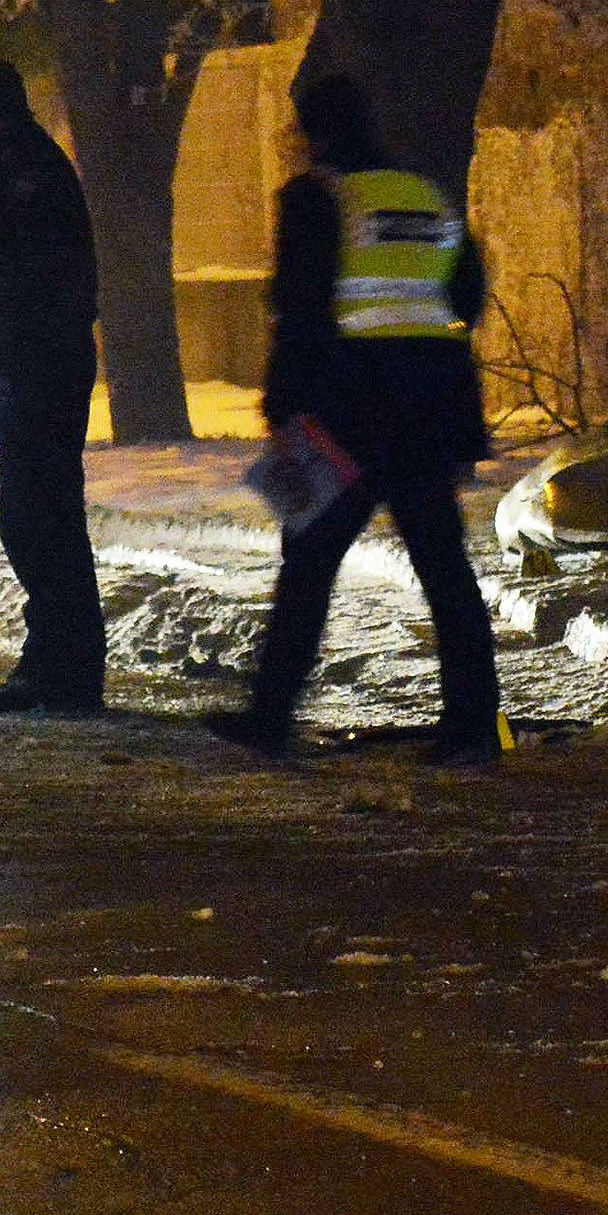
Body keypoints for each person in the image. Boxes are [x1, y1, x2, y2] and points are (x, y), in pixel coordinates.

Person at [217, 71, 503, 765]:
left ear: (313, 130)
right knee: (443, 565)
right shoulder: (423, 192)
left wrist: (281, 409)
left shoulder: (316, 198)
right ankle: (474, 725)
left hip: (348, 408)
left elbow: (298, 310)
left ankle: (271, 715)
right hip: (431, 404)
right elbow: (468, 290)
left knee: (309, 561)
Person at [0, 61, 106, 715]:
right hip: (32, 361)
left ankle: (64, 671)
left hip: (41, 366)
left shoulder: (24, 176)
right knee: (41, 518)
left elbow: (26, 270)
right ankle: (59, 665)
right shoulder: (21, 172)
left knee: (39, 519)